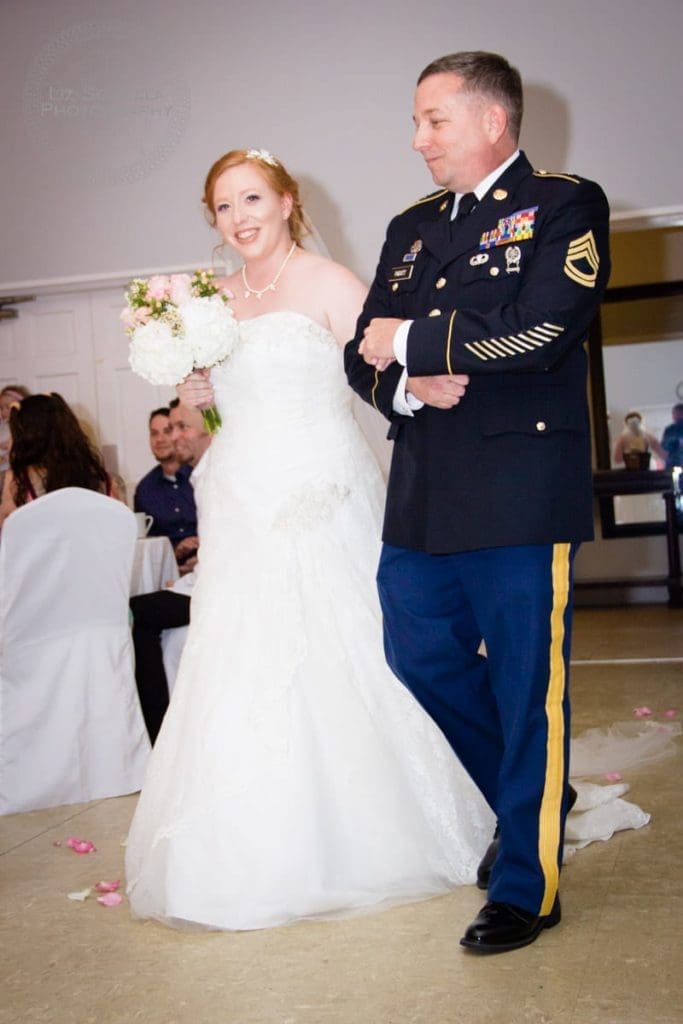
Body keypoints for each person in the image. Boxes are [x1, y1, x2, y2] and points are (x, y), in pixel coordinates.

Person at [124, 147, 499, 931]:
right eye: (223, 206)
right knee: (244, 654)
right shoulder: (211, 302)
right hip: (239, 495)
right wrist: (197, 394)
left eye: (252, 199)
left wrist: (425, 380)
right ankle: (252, 841)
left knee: (354, 641)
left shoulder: (328, 282)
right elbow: (212, 413)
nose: (239, 217)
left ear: (287, 201)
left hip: (324, 488)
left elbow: (380, 362)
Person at [345, 51, 611, 953]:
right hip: (425, 486)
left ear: (492, 121)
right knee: (416, 650)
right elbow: (360, 350)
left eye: (434, 120)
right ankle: (530, 795)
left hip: (520, 490)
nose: (417, 139)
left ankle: (526, 887)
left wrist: (413, 342)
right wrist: (407, 383)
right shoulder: (412, 226)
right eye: (417, 122)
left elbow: (545, 328)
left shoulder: (563, 204)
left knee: (526, 686)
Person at [130, 400, 212, 744]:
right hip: (196, 575)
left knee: (138, 612)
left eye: (181, 427)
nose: (172, 437)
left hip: (214, 584)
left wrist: (200, 562)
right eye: (163, 431)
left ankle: (158, 729)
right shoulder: (149, 488)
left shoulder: (209, 475)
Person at [0, 393, 121, 528]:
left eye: (13, 435)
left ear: (25, 439)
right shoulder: (102, 480)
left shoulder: (17, 482)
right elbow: (120, 528)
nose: (8, 443)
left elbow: (8, 533)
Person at [134, 406, 198, 557]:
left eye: (167, 431)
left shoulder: (200, 476)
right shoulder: (144, 490)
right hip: (169, 567)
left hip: (210, 561)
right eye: (154, 433)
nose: (160, 439)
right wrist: (175, 552)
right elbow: (146, 547)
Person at [661, 402, 683, 470]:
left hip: (673, 465)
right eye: (673, 413)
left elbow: (664, 447)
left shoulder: (670, 430)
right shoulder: (669, 429)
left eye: (675, 413)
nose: (673, 416)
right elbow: (664, 448)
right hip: (672, 465)